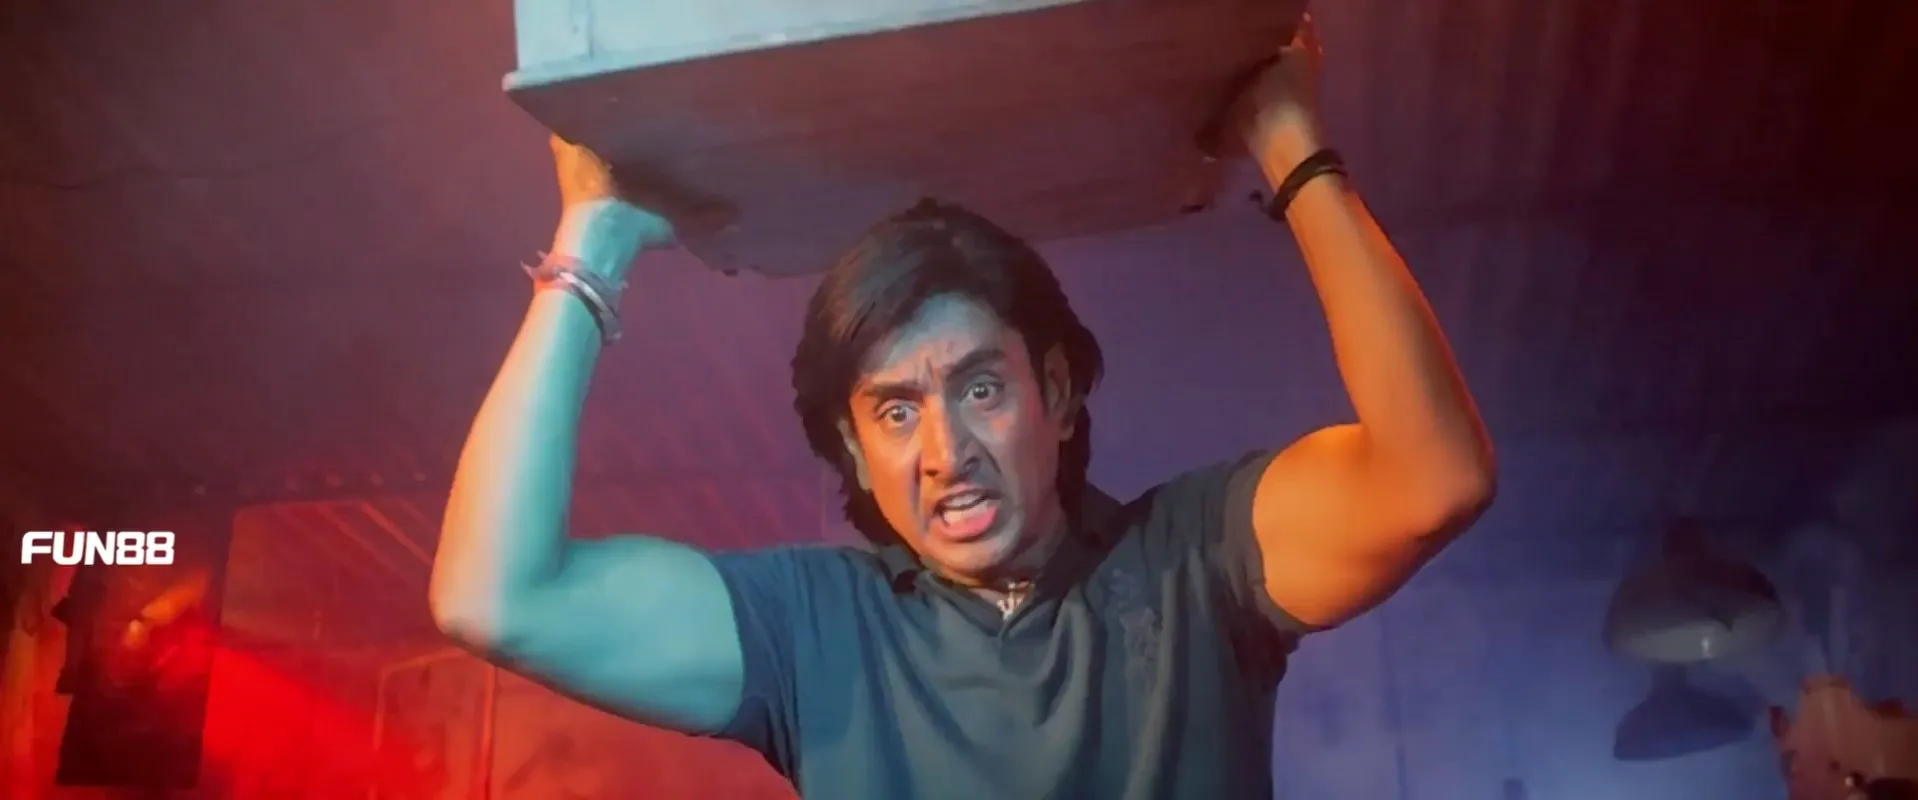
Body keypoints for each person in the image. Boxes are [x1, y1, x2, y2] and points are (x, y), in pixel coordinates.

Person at [430, 20, 1494, 800]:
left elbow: (1433, 477)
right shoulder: (816, 629)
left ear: (1057, 393)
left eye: (980, 389)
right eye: (895, 412)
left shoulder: (1195, 562)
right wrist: (593, 244)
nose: (946, 451)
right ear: (852, 447)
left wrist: (1294, 153)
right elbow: (494, 596)